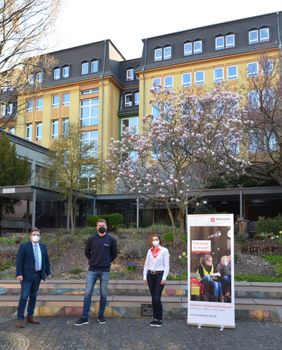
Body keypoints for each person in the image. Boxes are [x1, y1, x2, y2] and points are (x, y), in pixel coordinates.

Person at [75, 219, 117, 326]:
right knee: (88, 293)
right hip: (92, 270)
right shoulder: (91, 239)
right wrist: (93, 260)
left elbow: (114, 254)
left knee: (103, 293)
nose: (101, 227)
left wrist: (107, 261)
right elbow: (86, 252)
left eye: (103, 225)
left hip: (105, 271)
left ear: (106, 227)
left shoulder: (111, 239)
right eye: (99, 225)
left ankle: (101, 316)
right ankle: (84, 317)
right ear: (96, 227)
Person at [16, 228, 51, 328]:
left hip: (38, 275)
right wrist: (19, 274)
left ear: (40, 236)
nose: (36, 236)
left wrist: (48, 272)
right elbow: (19, 261)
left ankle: (30, 316)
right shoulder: (24, 246)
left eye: (38, 235)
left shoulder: (43, 247)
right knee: (24, 297)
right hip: (26, 276)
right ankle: (20, 318)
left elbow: (46, 261)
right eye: (34, 234)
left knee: (33, 296)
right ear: (30, 236)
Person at [143, 234, 170, 327]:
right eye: (153, 239)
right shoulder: (149, 251)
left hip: (160, 275)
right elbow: (146, 265)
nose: (155, 241)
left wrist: (164, 278)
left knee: (157, 297)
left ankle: (159, 318)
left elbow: (166, 265)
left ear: (159, 240)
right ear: (151, 241)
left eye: (156, 239)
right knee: (153, 297)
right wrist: (144, 277)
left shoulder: (164, 250)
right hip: (150, 275)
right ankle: (154, 318)